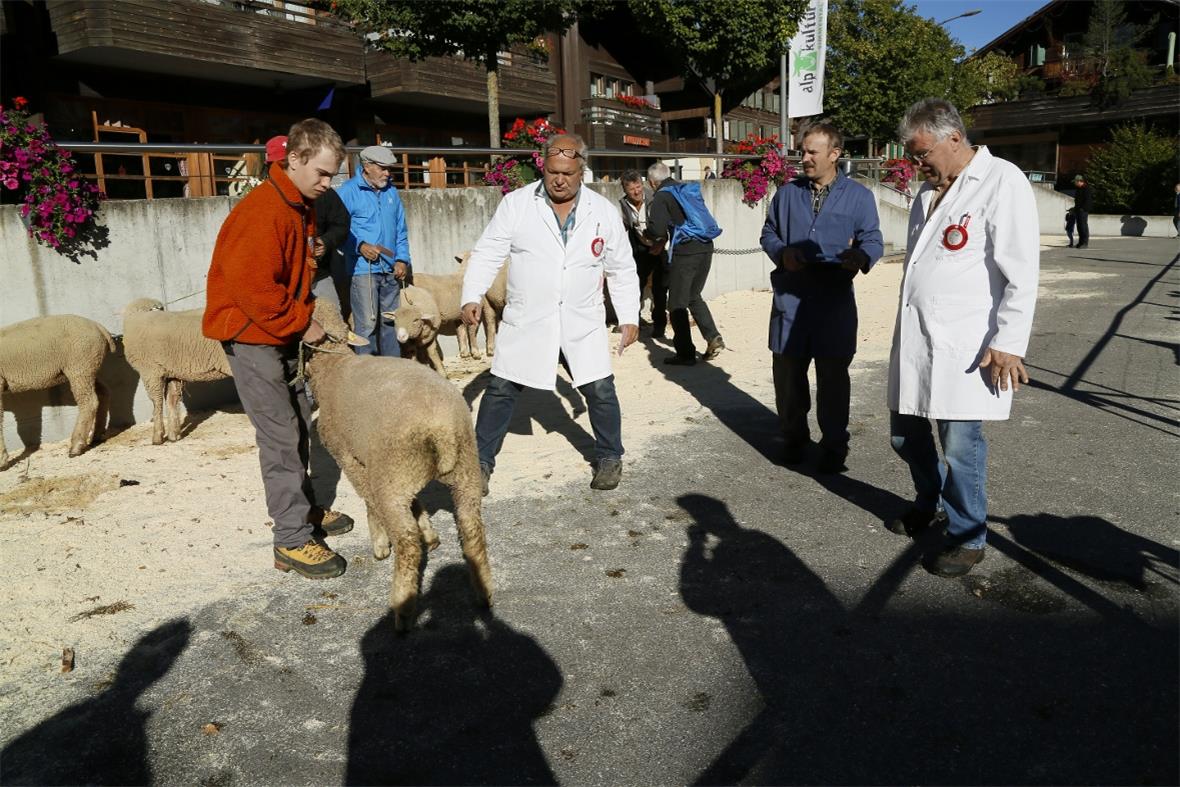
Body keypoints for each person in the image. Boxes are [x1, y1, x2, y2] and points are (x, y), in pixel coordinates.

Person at [887, 98, 1039, 578]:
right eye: (913, 156)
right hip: (916, 338)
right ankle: (929, 500)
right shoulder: (925, 193)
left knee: (959, 445)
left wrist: (1010, 342)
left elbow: (1022, 272)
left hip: (966, 344)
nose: (917, 164)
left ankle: (968, 535)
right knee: (903, 435)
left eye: (922, 153)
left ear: (954, 138)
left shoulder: (1001, 181)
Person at [202, 118, 352, 580]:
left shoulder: (299, 205)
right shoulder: (262, 211)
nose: (327, 184)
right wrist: (302, 322)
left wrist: (297, 319)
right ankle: (290, 538)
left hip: (277, 331)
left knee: (299, 421)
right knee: (280, 434)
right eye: (322, 174)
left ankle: (302, 509)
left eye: (332, 176)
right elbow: (253, 288)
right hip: (252, 335)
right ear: (296, 159)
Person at [460, 133, 640, 493]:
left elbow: (621, 268)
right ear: (543, 166)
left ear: (582, 170)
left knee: (600, 389)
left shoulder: (603, 211)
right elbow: (488, 252)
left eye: (568, 173)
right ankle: (479, 464)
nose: (559, 180)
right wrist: (471, 295)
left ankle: (609, 456)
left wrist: (629, 316)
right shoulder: (517, 204)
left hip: (582, 320)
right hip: (529, 317)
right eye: (553, 171)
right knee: (501, 388)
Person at [759, 123, 883, 472]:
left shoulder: (859, 196)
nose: (805, 158)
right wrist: (782, 252)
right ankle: (794, 439)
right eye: (803, 151)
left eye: (812, 152)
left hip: (834, 302)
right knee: (788, 380)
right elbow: (768, 232)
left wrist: (861, 256)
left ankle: (833, 446)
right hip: (791, 299)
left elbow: (872, 239)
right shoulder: (787, 194)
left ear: (834, 154)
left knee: (833, 380)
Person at [645, 161, 725, 365]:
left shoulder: (662, 196)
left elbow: (657, 230)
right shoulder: (683, 189)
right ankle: (713, 337)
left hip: (686, 251)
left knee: (676, 304)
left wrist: (648, 234)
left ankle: (685, 353)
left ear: (652, 182)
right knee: (693, 296)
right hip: (705, 246)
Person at [337, 144, 411, 356]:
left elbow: (400, 229)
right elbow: (338, 230)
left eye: (389, 169)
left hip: (390, 269)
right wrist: (359, 246)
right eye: (382, 168)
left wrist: (402, 259)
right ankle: (366, 371)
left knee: (391, 323)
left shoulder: (391, 192)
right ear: (367, 166)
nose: (388, 173)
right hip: (363, 270)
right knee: (366, 325)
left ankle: (391, 371)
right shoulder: (347, 192)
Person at [618, 169, 667, 339]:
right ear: (625, 190)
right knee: (635, 286)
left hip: (661, 247)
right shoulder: (624, 203)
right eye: (631, 189)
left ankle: (659, 325)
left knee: (659, 289)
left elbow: (668, 224)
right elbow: (626, 226)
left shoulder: (656, 198)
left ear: (642, 184)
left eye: (638, 186)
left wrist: (661, 244)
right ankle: (633, 322)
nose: (636, 192)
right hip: (641, 249)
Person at [1069, 173, 1092, 248]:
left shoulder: (1086, 189)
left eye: (1075, 182)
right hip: (1078, 210)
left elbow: (1088, 201)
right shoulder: (1079, 189)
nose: (1075, 183)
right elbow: (1078, 201)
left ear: (1079, 181)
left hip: (1083, 211)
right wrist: (1075, 208)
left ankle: (1085, 243)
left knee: (1083, 226)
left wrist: (1083, 209)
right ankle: (1080, 242)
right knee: (1079, 227)